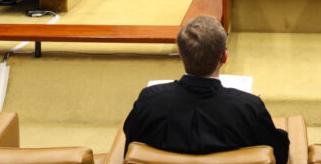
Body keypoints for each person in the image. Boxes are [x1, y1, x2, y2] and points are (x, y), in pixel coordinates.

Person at [123, 15, 289, 163]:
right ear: (224, 57)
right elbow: (279, 154)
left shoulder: (149, 101)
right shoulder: (249, 107)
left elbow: (130, 144)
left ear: (180, 53)